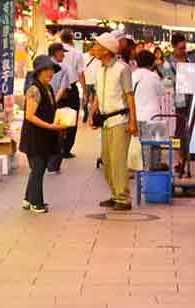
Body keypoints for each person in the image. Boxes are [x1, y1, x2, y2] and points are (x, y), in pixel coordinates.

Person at [88, 32, 136, 210]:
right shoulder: (100, 69)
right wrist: (92, 113)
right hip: (106, 121)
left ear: (107, 51)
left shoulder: (122, 69)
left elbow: (130, 96)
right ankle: (115, 194)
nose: (94, 49)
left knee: (118, 161)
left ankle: (123, 198)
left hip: (120, 120)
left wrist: (133, 122)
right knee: (107, 160)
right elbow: (98, 96)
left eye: (97, 46)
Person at [20, 56, 61, 213]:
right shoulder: (34, 89)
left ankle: (27, 199)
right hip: (34, 136)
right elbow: (30, 116)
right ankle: (36, 203)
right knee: (38, 168)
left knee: (39, 167)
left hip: (44, 135)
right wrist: (49, 126)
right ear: (39, 72)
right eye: (46, 70)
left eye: (51, 70)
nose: (50, 73)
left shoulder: (48, 88)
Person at [49, 39, 86, 166]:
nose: (64, 56)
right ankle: (60, 154)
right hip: (61, 100)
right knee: (65, 125)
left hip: (47, 101)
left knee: (50, 127)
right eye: (62, 53)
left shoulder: (43, 65)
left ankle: (50, 154)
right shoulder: (63, 67)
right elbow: (64, 88)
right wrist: (55, 101)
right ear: (56, 52)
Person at [169, 34, 195, 175]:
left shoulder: (191, 58)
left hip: (191, 97)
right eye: (180, 48)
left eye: (184, 47)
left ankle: (186, 157)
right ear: (174, 47)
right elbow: (166, 81)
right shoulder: (168, 62)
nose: (183, 50)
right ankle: (178, 159)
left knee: (189, 128)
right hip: (178, 100)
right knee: (178, 130)